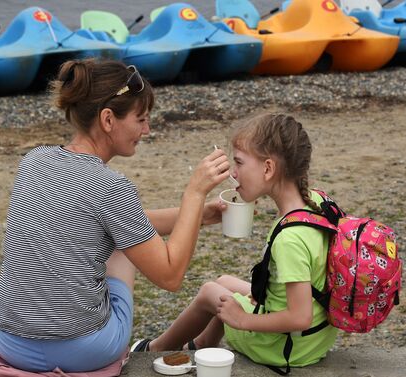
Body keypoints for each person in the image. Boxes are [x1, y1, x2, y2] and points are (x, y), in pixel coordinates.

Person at [0, 58, 230, 373]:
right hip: (81, 350)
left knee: (120, 236)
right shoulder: (111, 187)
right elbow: (170, 275)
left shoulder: (33, 161)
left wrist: (201, 216)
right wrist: (195, 194)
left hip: (10, 341)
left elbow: (112, 222)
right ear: (108, 119)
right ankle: (151, 348)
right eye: (141, 119)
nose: (147, 129)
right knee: (124, 247)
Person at [131, 113, 339, 370]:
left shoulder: (289, 239)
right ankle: (204, 341)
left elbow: (299, 316)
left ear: (268, 168)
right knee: (224, 283)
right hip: (315, 338)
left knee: (210, 292)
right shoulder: (316, 202)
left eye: (239, 163)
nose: (233, 173)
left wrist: (241, 320)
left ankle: (156, 349)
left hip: (284, 348)